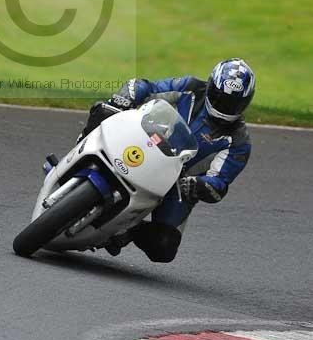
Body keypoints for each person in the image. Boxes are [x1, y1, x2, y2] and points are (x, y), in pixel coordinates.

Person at [78, 58, 255, 262]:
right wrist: (127, 96)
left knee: (164, 247)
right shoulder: (190, 88)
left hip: (179, 182)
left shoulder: (239, 141)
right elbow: (149, 87)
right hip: (147, 142)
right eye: (220, 98)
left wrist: (199, 185)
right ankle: (81, 149)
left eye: (233, 104)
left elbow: (219, 182)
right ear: (210, 86)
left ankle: (128, 229)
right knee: (105, 110)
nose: (224, 106)